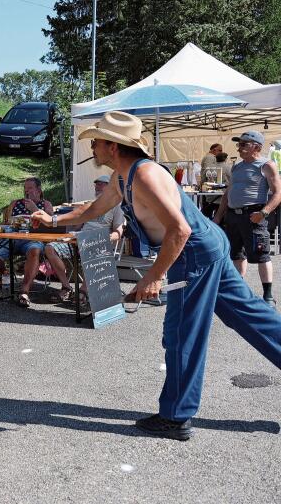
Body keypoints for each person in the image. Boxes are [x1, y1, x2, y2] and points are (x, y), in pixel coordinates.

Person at [31, 111, 281, 441]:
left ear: (114, 146)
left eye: (97, 140)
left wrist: (152, 276)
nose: (92, 145)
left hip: (192, 251)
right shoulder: (123, 177)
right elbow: (92, 210)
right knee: (248, 316)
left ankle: (176, 417)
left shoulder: (143, 176)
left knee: (181, 333)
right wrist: (53, 220)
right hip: (205, 245)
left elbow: (180, 229)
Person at [213, 131, 281, 305]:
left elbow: (277, 193)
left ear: (256, 147)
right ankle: (239, 290)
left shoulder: (266, 165)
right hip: (233, 216)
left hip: (254, 215)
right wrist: (219, 216)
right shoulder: (237, 166)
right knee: (236, 254)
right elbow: (228, 192)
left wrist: (263, 213)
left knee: (261, 255)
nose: (239, 147)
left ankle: (268, 295)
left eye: (244, 144)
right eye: (239, 144)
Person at [43, 174, 124, 302]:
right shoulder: (91, 205)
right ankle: (66, 287)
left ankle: (84, 290)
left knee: (91, 248)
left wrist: (104, 238)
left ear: (110, 188)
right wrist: (72, 226)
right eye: (97, 184)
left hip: (99, 242)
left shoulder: (117, 206)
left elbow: (118, 232)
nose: (97, 186)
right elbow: (77, 226)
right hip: (80, 238)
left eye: (101, 184)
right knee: (50, 248)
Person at [0, 177, 53, 308]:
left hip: (33, 239)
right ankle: (6, 275)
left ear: (39, 190)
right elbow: (5, 222)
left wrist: (34, 208)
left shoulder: (45, 204)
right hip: (12, 237)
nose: (26, 191)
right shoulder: (16, 203)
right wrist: (8, 224)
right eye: (25, 188)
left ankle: (24, 290)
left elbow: (50, 224)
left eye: (30, 188)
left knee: (34, 251)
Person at [200, 152, 232, 220]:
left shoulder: (209, 168)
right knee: (220, 219)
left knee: (207, 217)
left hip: (209, 197)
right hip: (222, 197)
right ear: (226, 159)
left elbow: (202, 181)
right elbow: (232, 181)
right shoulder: (228, 167)